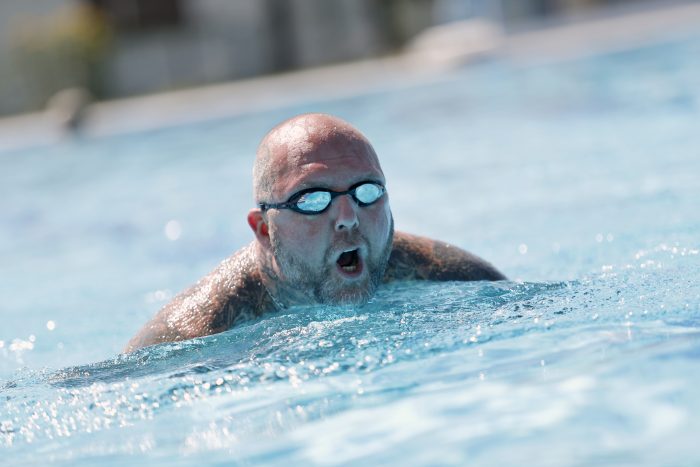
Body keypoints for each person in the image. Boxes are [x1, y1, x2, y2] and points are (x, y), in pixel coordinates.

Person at [125, 113, 505, 353]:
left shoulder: (448, 276)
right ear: (263, 229)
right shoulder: (194, 334)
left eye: (366, 191)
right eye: (312, 199)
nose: (348, 217)